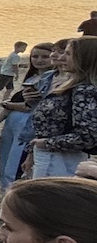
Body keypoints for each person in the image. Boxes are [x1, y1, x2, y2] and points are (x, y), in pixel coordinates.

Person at [0, 43, 53, 194]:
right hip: (12, 124)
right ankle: (5, 200)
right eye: (35, 56)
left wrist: (9, 104)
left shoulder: (53, 81)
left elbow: (31, 106)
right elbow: (13, 104)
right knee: (6, 162)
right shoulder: (32, 77)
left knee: (16, 164)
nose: (39, 60)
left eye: (44, 57)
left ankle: (11, 201)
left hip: (28, 126)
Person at [26, 35, 97, 178]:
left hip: (60, 159)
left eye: (68, 54)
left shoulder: (85, 90)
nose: (61, 58)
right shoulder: (75, 85)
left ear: (84, 58)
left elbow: (88, 136)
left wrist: (46, 143)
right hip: (52, 156)